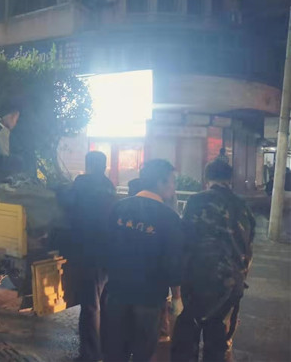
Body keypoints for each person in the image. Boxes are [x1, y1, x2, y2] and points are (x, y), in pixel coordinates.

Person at [171, 160, 256, 362]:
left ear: (206, 178)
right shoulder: (242, 206)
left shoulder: (196, 201)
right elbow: (248, 245)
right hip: (230, 284)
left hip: (196, 281)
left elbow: (184, 239)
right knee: (217, 340)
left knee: (186, 339)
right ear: (230, 179)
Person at [102, 159, 184, 362]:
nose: (174, 187)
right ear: (160, 182)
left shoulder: (118, 208)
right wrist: (176, 297)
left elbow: (105, 246)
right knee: (143, 353)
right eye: (172, 181)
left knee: (114, 352)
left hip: (116, 293)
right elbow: (173, 262)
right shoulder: (170, 218)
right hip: (149, 299)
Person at [59, 151, 117, 362]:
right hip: (108, 251)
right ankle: (107, 350)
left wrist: (59, 190)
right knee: (105, 303)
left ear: (88, 165)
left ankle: (90, 355)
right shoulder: (109, 185)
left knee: (90, 306)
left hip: (89, 250)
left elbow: (68, 202)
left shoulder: (83, 182)